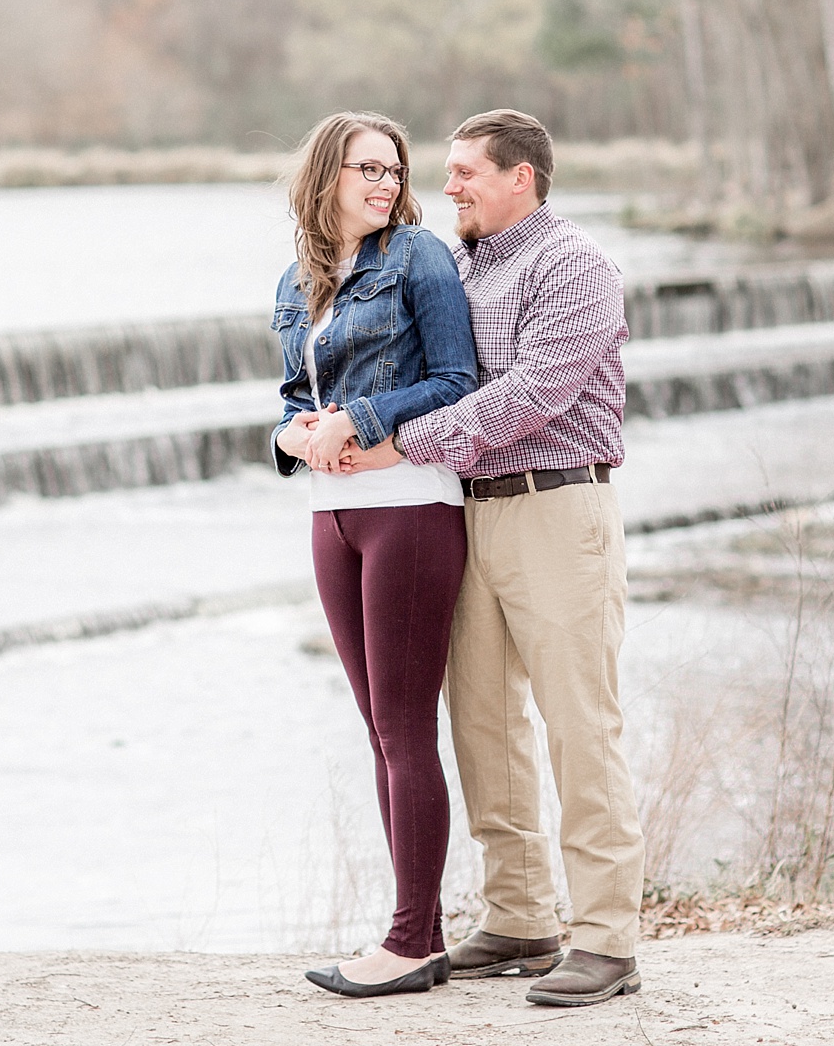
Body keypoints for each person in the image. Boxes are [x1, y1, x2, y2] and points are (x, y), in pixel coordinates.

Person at [338, 109, 645, 1009]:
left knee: (579, 725)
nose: (450, 186)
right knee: (481, 722)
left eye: (468, 171)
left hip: (559, 508)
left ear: (524, 178)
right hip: (469, 511)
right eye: (450, 170)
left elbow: (529, 397)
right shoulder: (457, 266)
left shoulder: (577, 266)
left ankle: (607, 942)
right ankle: (518, 916)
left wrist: (395, 442)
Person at [270, 111, 479, 998]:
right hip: (334, 517)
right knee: (376, 732)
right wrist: (295, 433)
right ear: (326, 178)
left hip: (409, 508)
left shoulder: (418, 259)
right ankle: (414, 935)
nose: (386, 185)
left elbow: (458, 380)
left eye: (394, 171)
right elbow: (288, 397)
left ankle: (411, 939)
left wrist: (361, 418)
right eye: (367, 169)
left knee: (403, 731)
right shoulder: (298, 279)